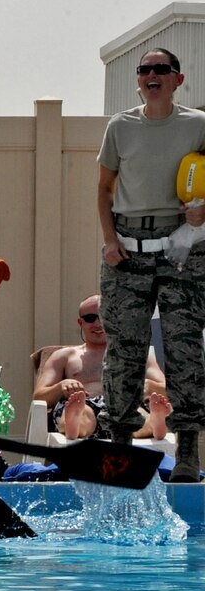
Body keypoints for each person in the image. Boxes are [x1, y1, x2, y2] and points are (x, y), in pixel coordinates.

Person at [95, 47, 205, 480]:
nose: (152, 75)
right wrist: (107, 240)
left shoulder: (198, 125)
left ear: (178, 80)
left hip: (183, 250)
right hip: (128, 247)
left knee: (184, 349)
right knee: (124, 350)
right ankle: (119, 447)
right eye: (145, 70)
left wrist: (202, 211)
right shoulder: (120, 127)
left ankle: (190, 452)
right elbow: (103, 189)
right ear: (138, 80)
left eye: (162, 69)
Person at [35, 295, 171, 440]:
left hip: (125, 406)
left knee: (136, 413)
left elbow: (170, 392)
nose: (98, 323)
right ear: (80, 323)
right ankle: (74, 425)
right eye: (90, 318)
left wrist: (149, 386)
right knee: (82, 413)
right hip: (84, 403)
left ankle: (156, 423)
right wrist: (61, 386)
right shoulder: (63, 356)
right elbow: (38, 397)